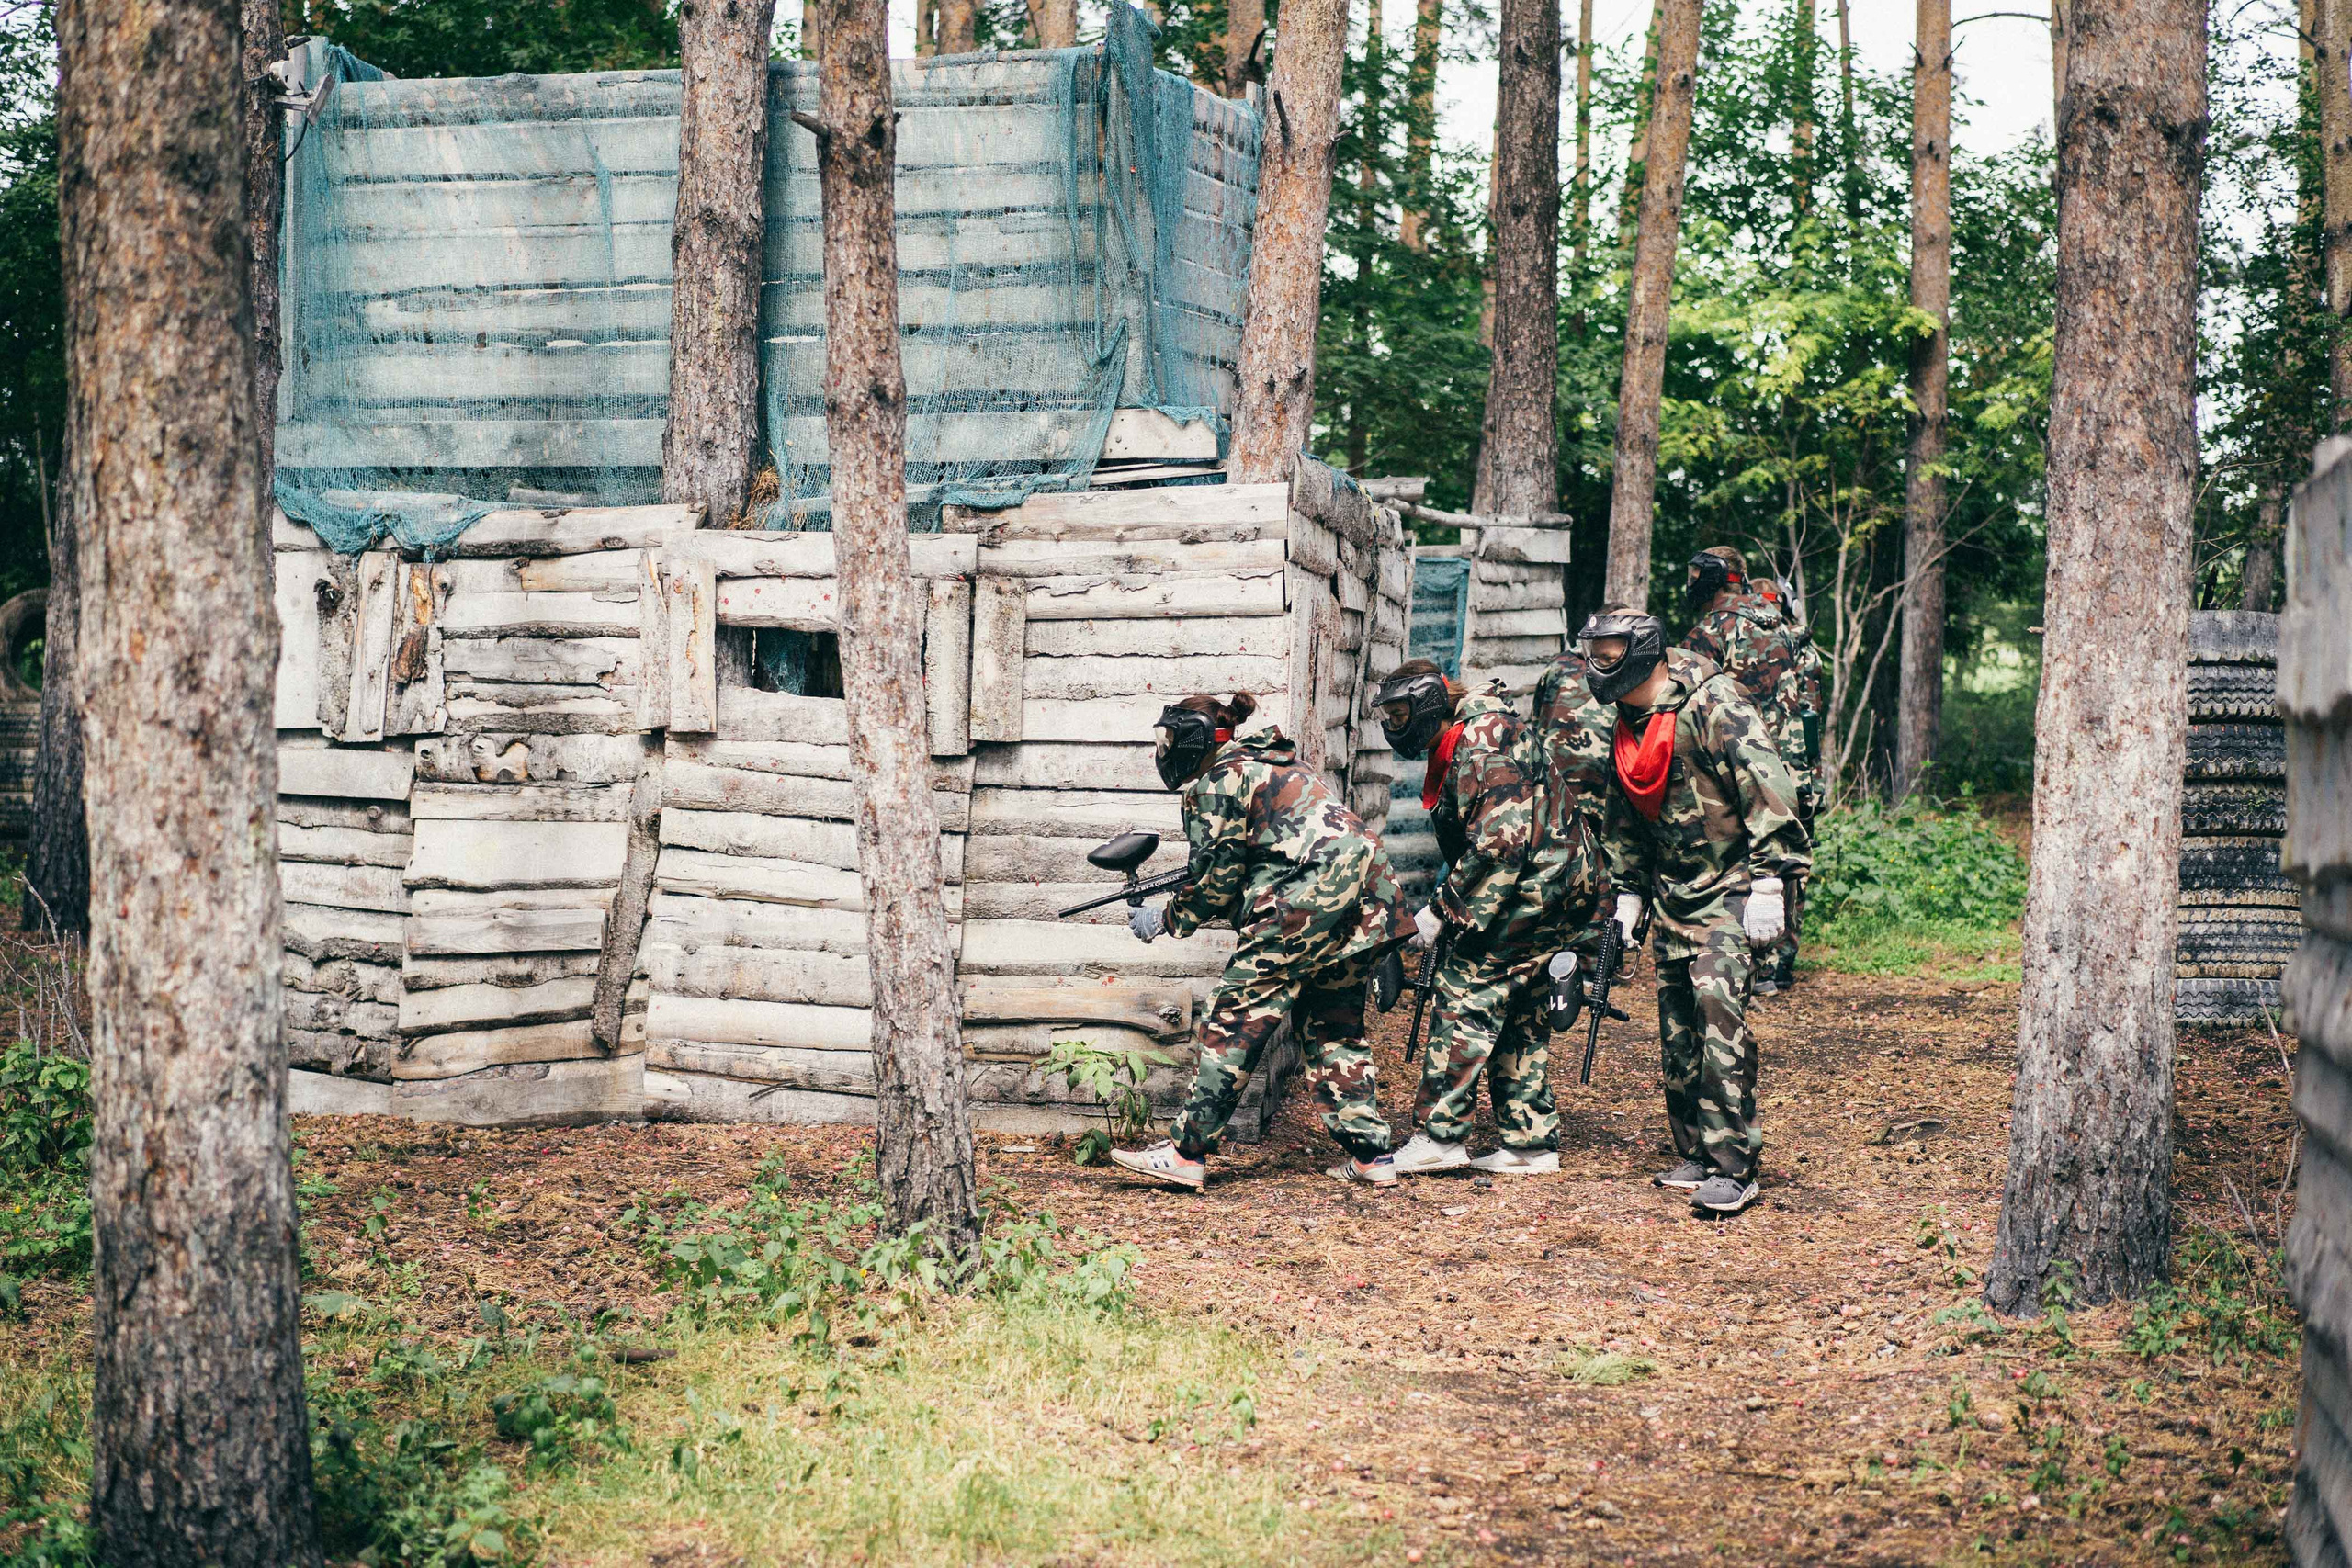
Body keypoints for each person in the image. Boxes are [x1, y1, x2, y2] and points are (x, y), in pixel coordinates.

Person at [1109, 694, 1412, 1191]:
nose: (1163, 751)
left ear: (1195, 740)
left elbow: (1217, 881)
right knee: (1333, 1026)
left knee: (1232, 1021)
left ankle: (1186, 1154)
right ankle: (1372, 1156)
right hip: (1365, 902)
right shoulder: (1275, 763)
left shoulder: (1217, 781)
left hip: (1302, 903)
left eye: (1169, 739)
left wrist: (1165, 918)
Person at [1577, 606, 1811, 1216]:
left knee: (1718, 1020)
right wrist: (1628, 892)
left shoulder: (1713, 701)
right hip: (1672, 893)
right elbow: (1623, 812)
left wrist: (1770, 882)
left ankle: (1735, 1167)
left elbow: (1768, 785)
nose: (1598, 665)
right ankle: (1698, 1153)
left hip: (1730, 890)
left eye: (1608, 655)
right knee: (1678, 1029)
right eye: (1594, 654)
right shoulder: (1628, 716)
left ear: (1642, 653)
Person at [1371, 660, 1606, 1177]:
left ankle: (1440, 1137)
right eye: (1388, 715)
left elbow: (1500, 845)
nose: (1394, 725)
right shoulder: (1472, 734)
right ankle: (1529, 1144)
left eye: (1400, 713)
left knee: (1463, 992)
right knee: (1517, 1004)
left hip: (1533, 886)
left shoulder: (1482, 739)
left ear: (1429, 704)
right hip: (1550, 884)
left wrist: (1442, 909)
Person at [1679, 547, 1816, 992]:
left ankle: (1744, 962)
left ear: (1717, 576)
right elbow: (1809, 697)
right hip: (1791, 762)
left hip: (1741, 765)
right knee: (1786, 856)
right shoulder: (1784, 626)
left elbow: (1686, 699)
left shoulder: (1713, 629)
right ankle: (1778, 963)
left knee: (1739, 856)